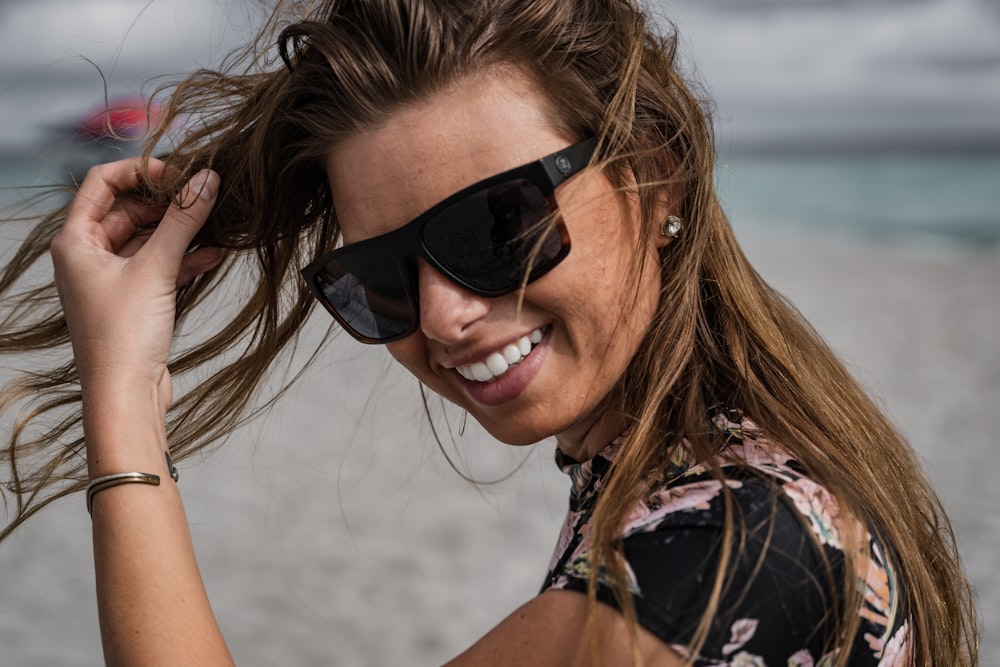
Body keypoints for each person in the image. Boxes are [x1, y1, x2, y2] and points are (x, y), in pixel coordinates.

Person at [0, 0, 978, 665]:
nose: (439, 315)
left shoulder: (722, 550)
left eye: (493, 228)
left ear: (656, 172)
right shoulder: (713, 462)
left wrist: (121, 390)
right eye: (378, 274)